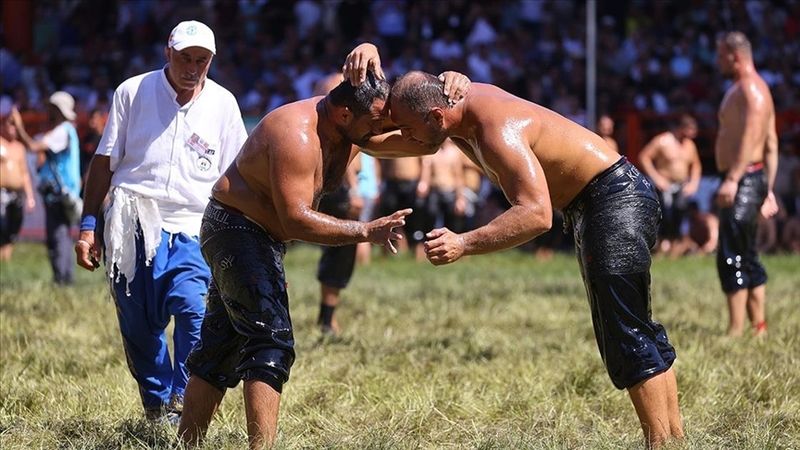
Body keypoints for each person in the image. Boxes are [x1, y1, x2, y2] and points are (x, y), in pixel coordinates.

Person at [365, 62, 683, 446]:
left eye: (410, 130)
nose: (407, 139)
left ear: (436, 116)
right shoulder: (453, 113)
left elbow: (536, 215)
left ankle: (662, 444)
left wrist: (464, 243)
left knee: (626, 332)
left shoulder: (496, 128)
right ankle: (672, 440)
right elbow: (385, 135)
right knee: (632, 327)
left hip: (614, 199)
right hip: (603, 201)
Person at [177, 65, 469, 448]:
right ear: (345, 115)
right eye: (377, 124)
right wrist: (365, 231)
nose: (383, 130)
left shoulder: (353, 130)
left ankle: (185, 443)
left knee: (220, 348)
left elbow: (424, 141)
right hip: (236, 228)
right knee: (270, 341)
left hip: (254, 235)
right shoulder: (294, 132)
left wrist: (456, 91)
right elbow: (296, 219)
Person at [74, 21, 248, 422]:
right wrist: (88, 225)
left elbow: (237, 175)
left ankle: (184, 402)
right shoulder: (132, 91)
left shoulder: (224, 104)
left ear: (211, 61)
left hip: (194, 224)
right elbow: (104, 163)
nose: (192, 67)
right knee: (139, 325)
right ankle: (157, 407)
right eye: (185, 58)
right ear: (167, 53)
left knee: (194, 311)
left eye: (201, 60)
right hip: (130, 220)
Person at [713, 31, 779, 337]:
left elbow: (755, 139)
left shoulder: (751, 90)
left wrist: (733, 179)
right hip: (752, 178)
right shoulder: (754, 89)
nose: (717, 60)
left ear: (734, 56)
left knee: (732, 253)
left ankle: (736, 330)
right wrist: (769, 189)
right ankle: (759, 327)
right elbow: (771, 144)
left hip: (742, 179)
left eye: (720, 54)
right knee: (747, 251)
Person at [10, 92, 81, 284]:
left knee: (57, 237)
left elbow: (33, 147)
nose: (47, 111)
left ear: (57, 110)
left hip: (59, 194)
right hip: (65, 193)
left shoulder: (62, 131)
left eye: (50, 107)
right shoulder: (68, 130)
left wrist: (19, 126)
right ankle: (65, 279)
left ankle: (62, 281)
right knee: (62, 236)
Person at [639, 114, 702, 253]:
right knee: (664, 213)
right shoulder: (662, 141)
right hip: (664, 183)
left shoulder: (690, 145)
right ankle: (662, 242)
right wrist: (656, 178)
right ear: (681, 128)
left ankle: (675, 241)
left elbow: (696, 165)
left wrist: (693, 183)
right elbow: (644, 157)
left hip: (681, 185)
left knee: (679, 210)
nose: (693, 133)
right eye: (690, 129)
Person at [0, 113, 36, 261]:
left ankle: (6, 259)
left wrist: (30, 196)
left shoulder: (20, 148)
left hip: (16, 194)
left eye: (15, 125)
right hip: (1, 193)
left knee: (13, 227)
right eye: (10, 124)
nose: (12, 128)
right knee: (1, 225)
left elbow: (25, 173)